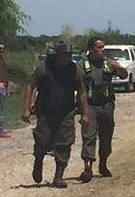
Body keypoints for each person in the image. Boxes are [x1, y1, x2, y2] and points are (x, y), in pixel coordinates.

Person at [22, 42, 90, 188]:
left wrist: (85, 113)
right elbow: (30, 86)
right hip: (46, 111)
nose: (68, 58)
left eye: (70, 55)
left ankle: (58, 176)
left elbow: (82, 92)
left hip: (66, 111)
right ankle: (38, 159)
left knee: (64, 143)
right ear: (57, 54)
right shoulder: (43, 67)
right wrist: (26, 109)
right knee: (43, 140)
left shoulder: (75, 70)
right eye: (65, 55)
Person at [79, 36, 128, 182]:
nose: (102, 51)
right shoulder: (82, 65)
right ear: (90, 49)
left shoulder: (108, 63)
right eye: (99, 48)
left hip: (106, 105)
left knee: (106, 135)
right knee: (89, 135)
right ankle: (88, 168)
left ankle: (103, 164)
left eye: (103, 48)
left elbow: (124, 75)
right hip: (90, 105)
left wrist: (118, 67)